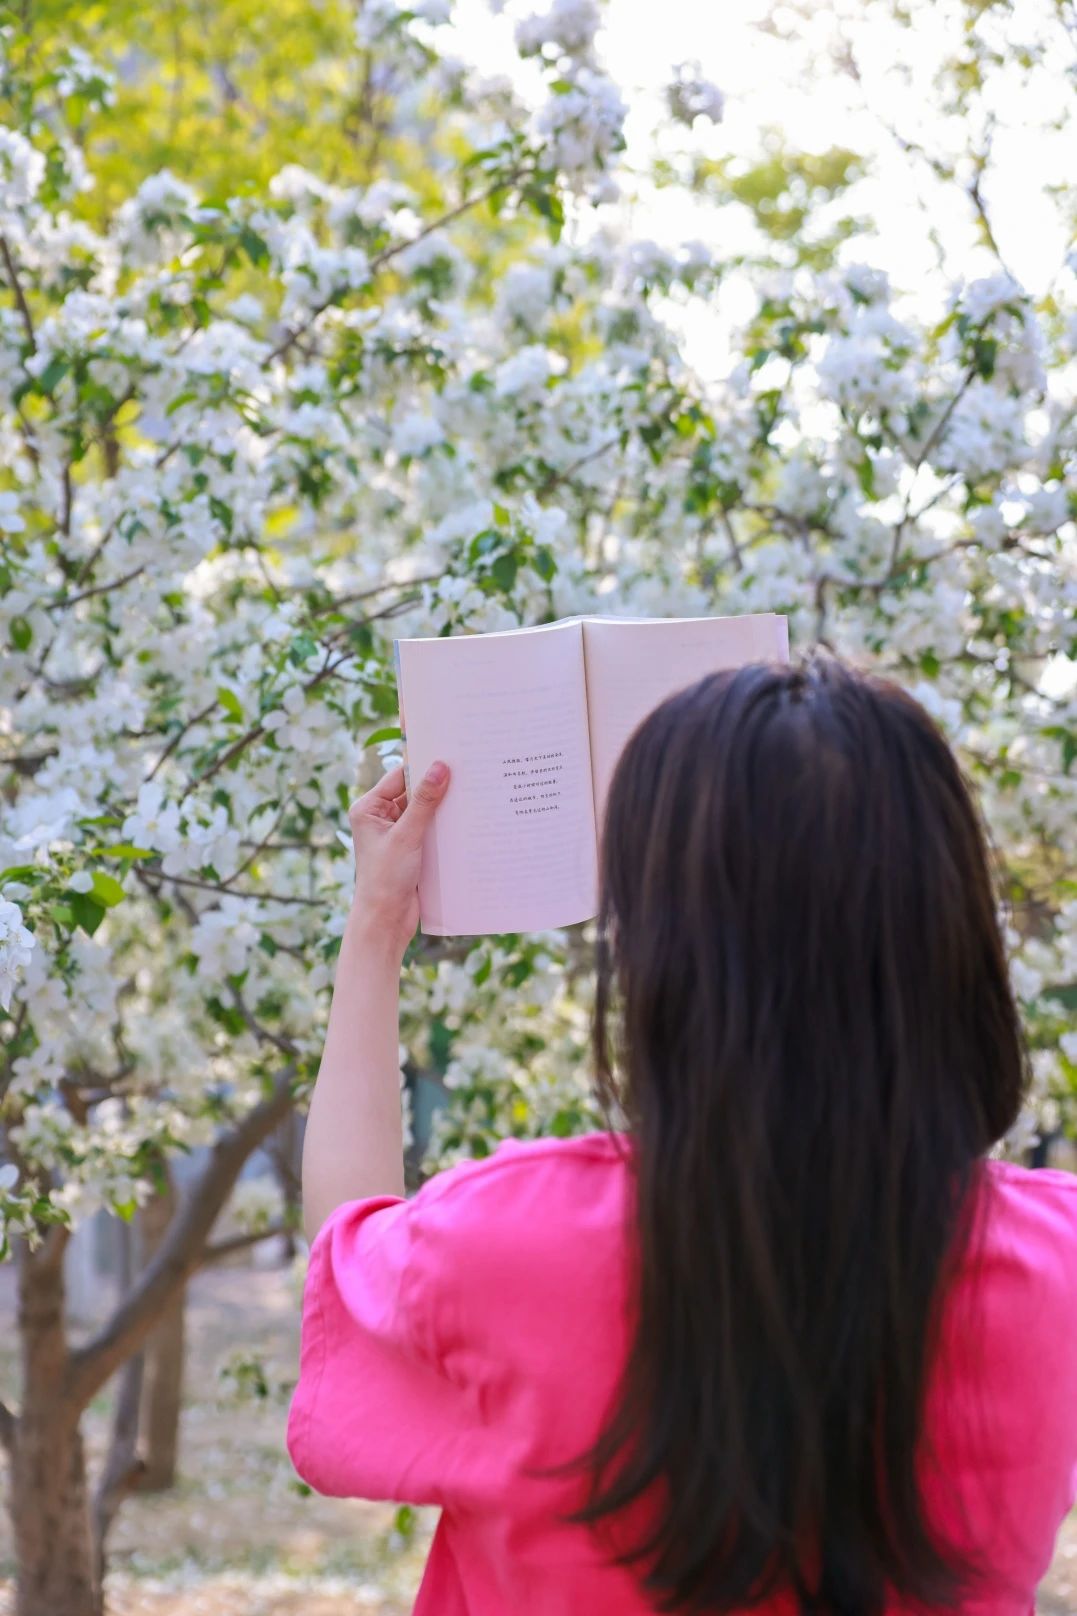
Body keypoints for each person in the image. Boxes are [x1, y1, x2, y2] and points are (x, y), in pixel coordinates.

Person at [287, 656, 1077, 1616]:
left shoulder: (508, 1240)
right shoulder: (1054, 1265)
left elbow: (343, 1255)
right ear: (951, 923)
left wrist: (376, 925)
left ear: (663, 945)